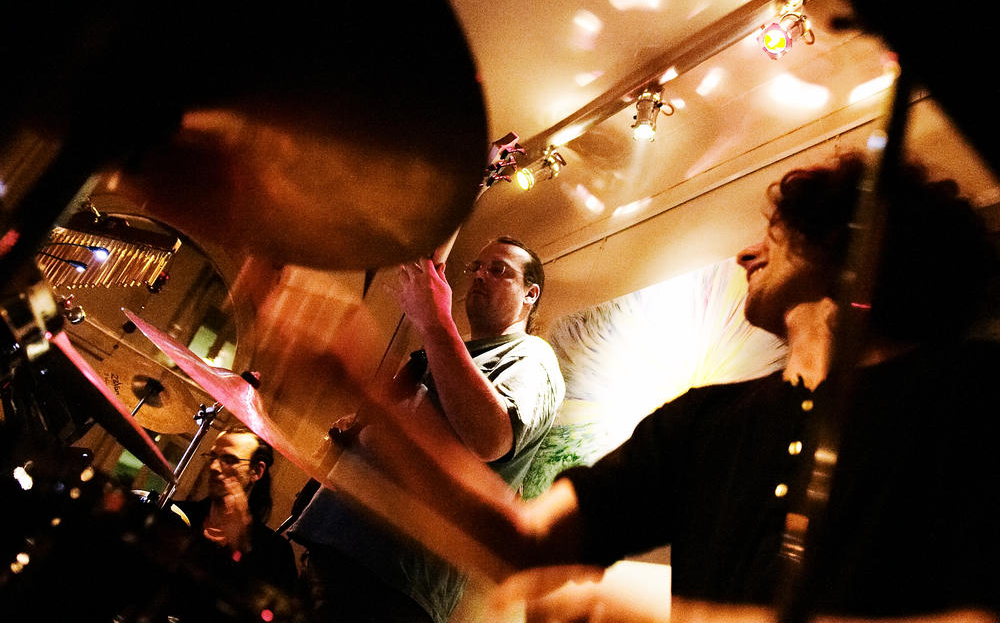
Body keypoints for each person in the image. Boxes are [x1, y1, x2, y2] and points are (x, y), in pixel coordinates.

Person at [502, 153, 1000, 620]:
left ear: (843, 239)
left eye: (775, 235)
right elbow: (528, 539)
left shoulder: (975, 391)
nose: (745, 254)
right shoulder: (702, 421)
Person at [289, 236, 566, 623]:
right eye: (477, 267)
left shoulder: (533, 358)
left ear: (530, 294)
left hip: (392, 581)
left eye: (498, 270)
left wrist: (436, 322)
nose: (480, 275)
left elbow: (492, 439)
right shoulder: (449, 351)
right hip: (336, 543)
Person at [175, 427, 298, 592]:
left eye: (229, 459)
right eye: (213, 456)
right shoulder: (177, 515)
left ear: (256, 471)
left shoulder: (276, 552)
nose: (214, 467)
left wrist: (240, 548)